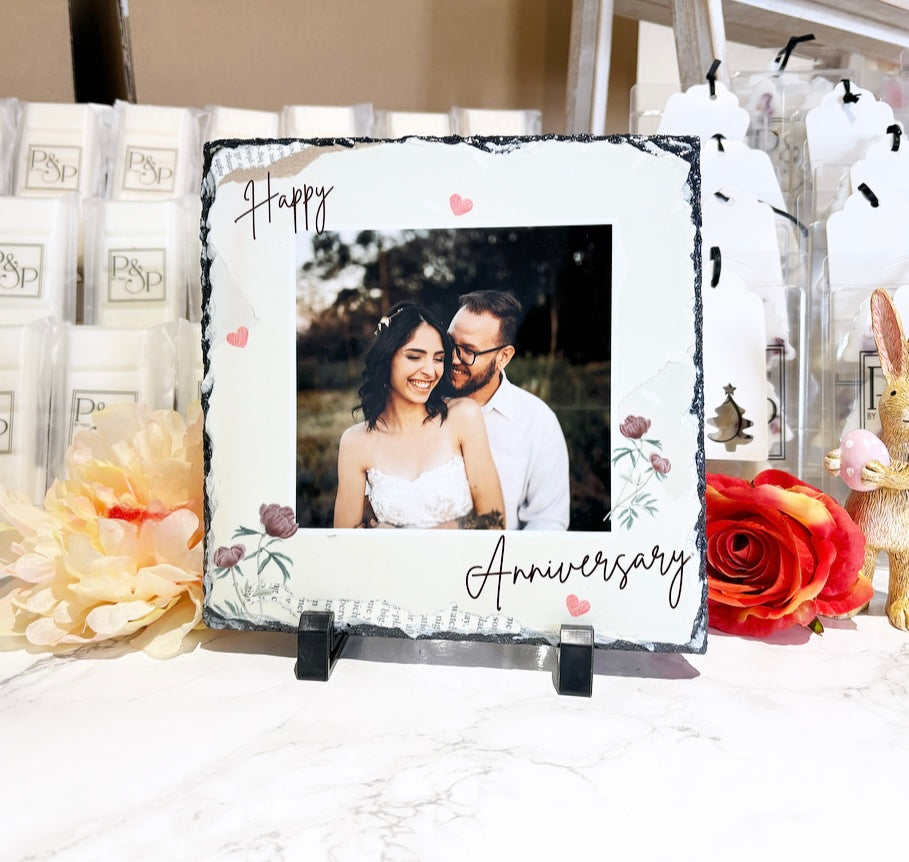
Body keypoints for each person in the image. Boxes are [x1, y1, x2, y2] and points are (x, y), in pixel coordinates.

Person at [333, 302, 505, 529]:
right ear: (386, 358)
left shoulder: (463, 417)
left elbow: (495, 521)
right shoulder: (355, 443)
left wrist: (404, 540)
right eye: (415, 357)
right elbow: (344, 542)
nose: (430, 371)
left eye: (438, 359)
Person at [447, 290, 570, 530]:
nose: (453, 358)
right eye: (449, 342)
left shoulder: (538, 422)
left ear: (503, 357)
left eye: (469, 351)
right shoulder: (423, 403)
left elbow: (547, 521)